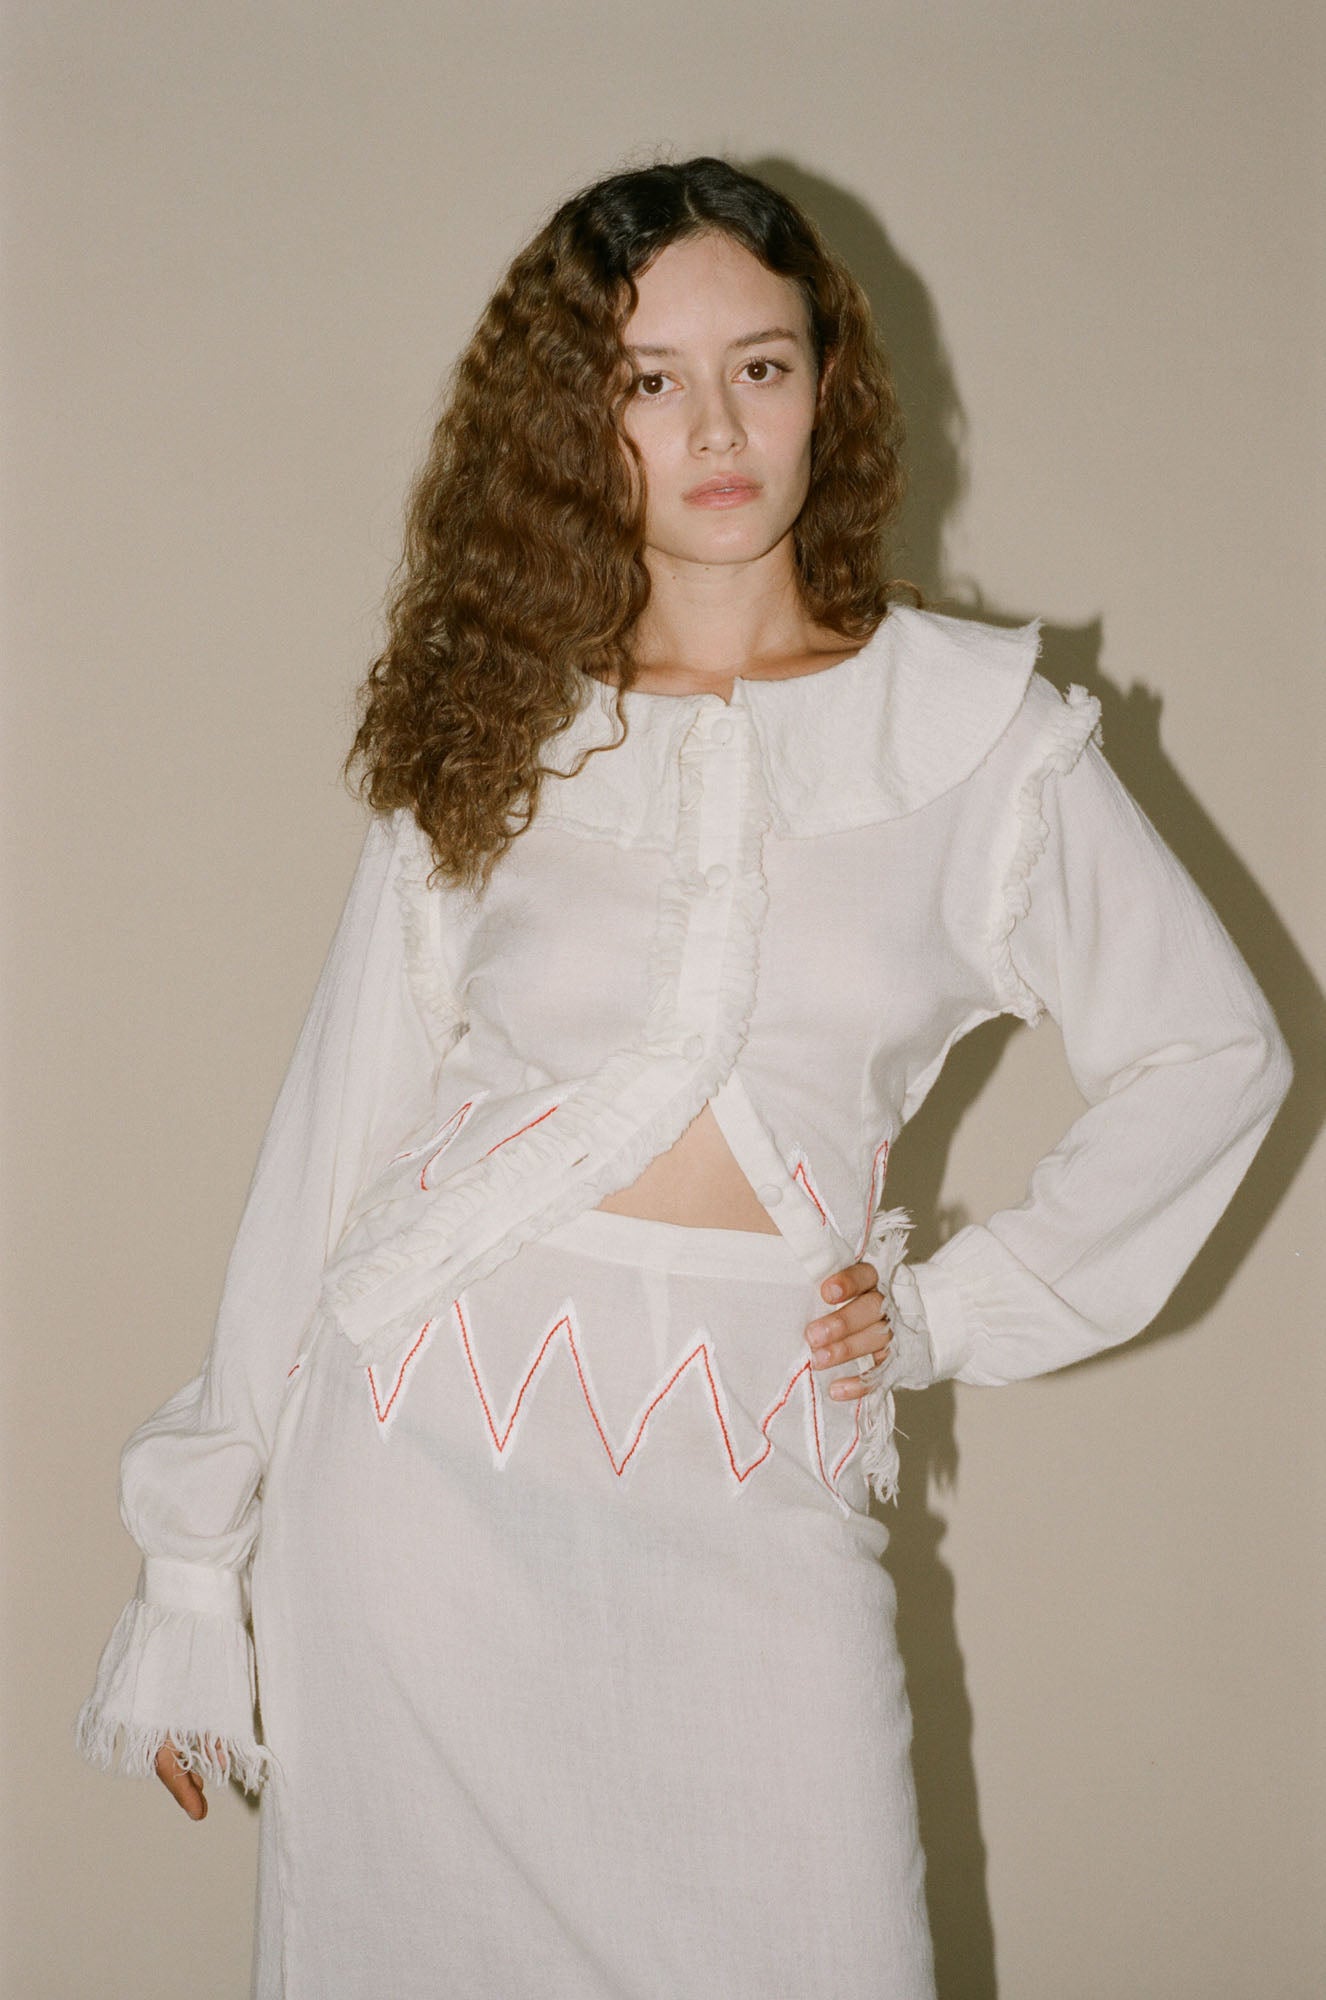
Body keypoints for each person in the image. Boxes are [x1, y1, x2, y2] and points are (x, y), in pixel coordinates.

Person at [76, 156, 1291, 1999]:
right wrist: (192, 1565)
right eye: (648, 380)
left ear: (826, 388)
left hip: (746, 1462)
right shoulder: (499, 729)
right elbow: (333, 1138)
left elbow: (1211, 1057)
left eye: (760, 366)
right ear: (577, 423)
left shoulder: (980, 741)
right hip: (419, 1471)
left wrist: (950, 1310)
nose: (715, 427)